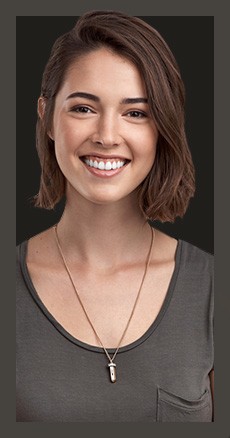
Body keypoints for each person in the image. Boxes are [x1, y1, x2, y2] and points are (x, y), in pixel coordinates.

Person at [16, 11, 214, 422]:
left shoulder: (213, 287)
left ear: (164, 128)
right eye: (84, 108)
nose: (107, 135)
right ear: (47, 116)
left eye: (136, 112)